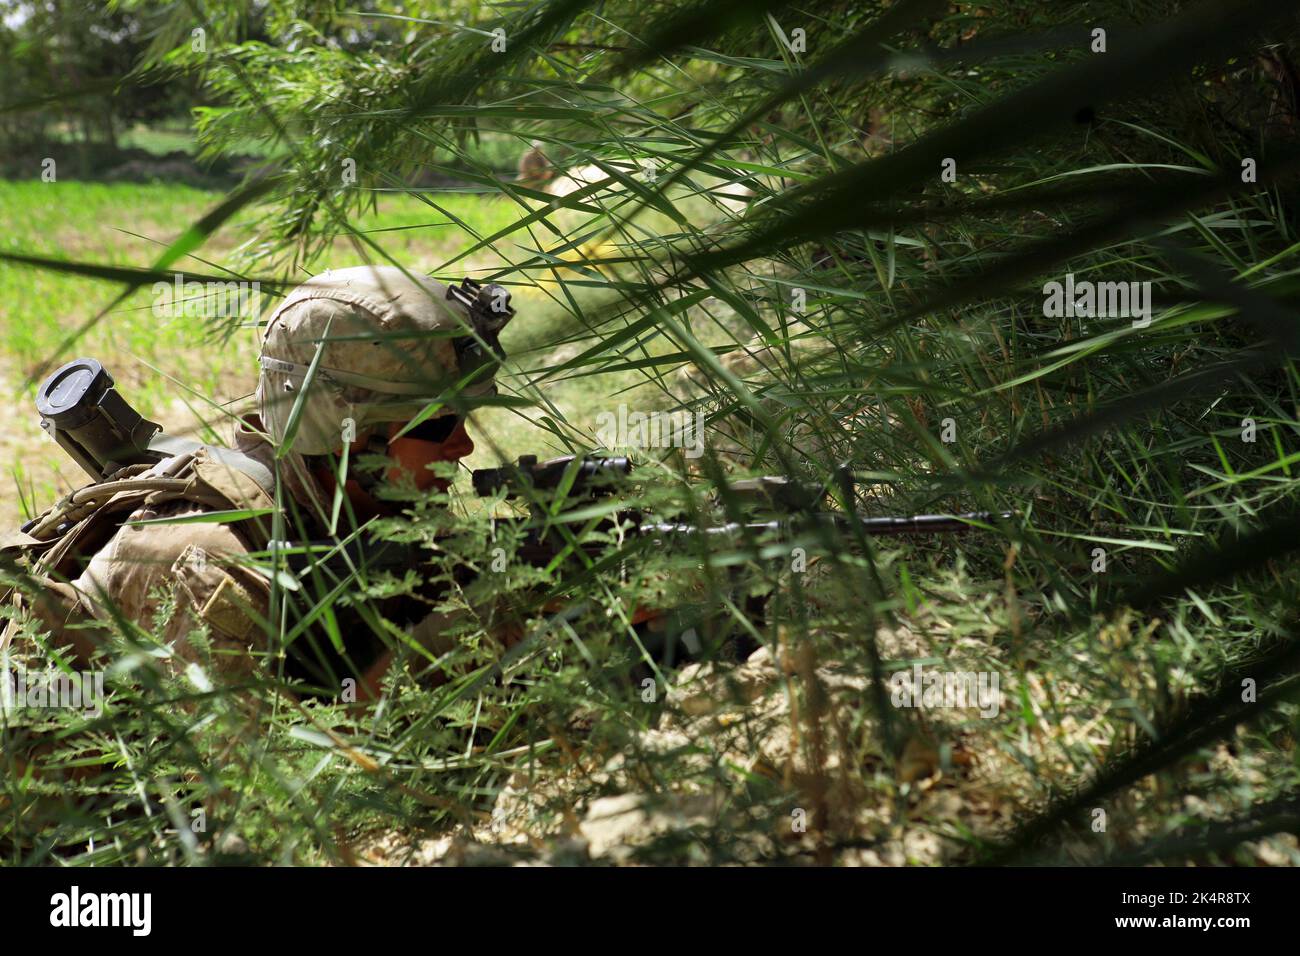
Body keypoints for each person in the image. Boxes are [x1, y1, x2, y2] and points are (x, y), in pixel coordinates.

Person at [0, 264, 515, 702]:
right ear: (345, 433)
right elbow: (261, 794)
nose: (462, 447)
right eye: (438, 425)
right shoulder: (213, 557)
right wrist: (443, 643)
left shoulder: (365, 509)